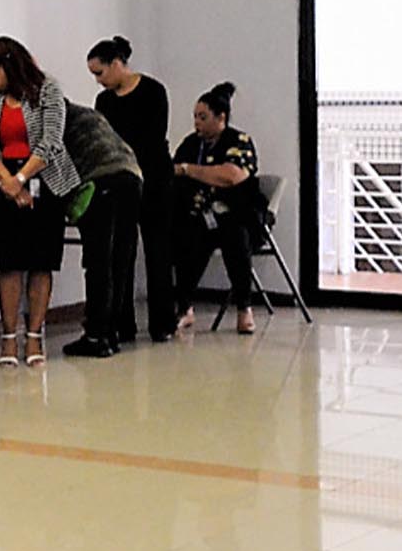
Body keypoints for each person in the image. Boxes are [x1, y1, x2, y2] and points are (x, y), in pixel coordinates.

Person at [0, 36, 76, 368]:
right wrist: (8, 180)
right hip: (7, 185)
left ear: (6, 63)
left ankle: (34, 335)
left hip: (45, 183)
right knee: (11, 263)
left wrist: (22, 179)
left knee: (41, 262)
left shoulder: (47, 90)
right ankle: (8, 338)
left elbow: (51, 140)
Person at [89, 36, 175, 342]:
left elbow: (153, 136)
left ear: (116, 64)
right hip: (122, 181)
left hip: (154, 176)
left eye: (100, 73)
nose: (98, 82)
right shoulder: (105, 102)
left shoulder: (153, 90)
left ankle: (163, 322)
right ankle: (120, 322)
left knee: (158, 249)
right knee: (121, 252)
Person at [170, 81, 264, 335]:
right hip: (199, 215)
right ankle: (185, 307)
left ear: (220, 117)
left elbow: (231, 175)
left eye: (203, 117)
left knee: (236, 237)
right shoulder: (191, 144)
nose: (196, 123)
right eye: (195, 117)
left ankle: (245, 308)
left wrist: (190, 170)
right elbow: (173, 172)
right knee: (184, 236)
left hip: (238, 215)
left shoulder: (239, 141)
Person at [60, 101, 142, 357]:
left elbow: (52, 164)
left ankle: (95, 336)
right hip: (133, 177)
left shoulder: (53, 120)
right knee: (120, 262)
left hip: (101, 180)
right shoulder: (87, 113)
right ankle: (111, 333)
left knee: (99, 262)